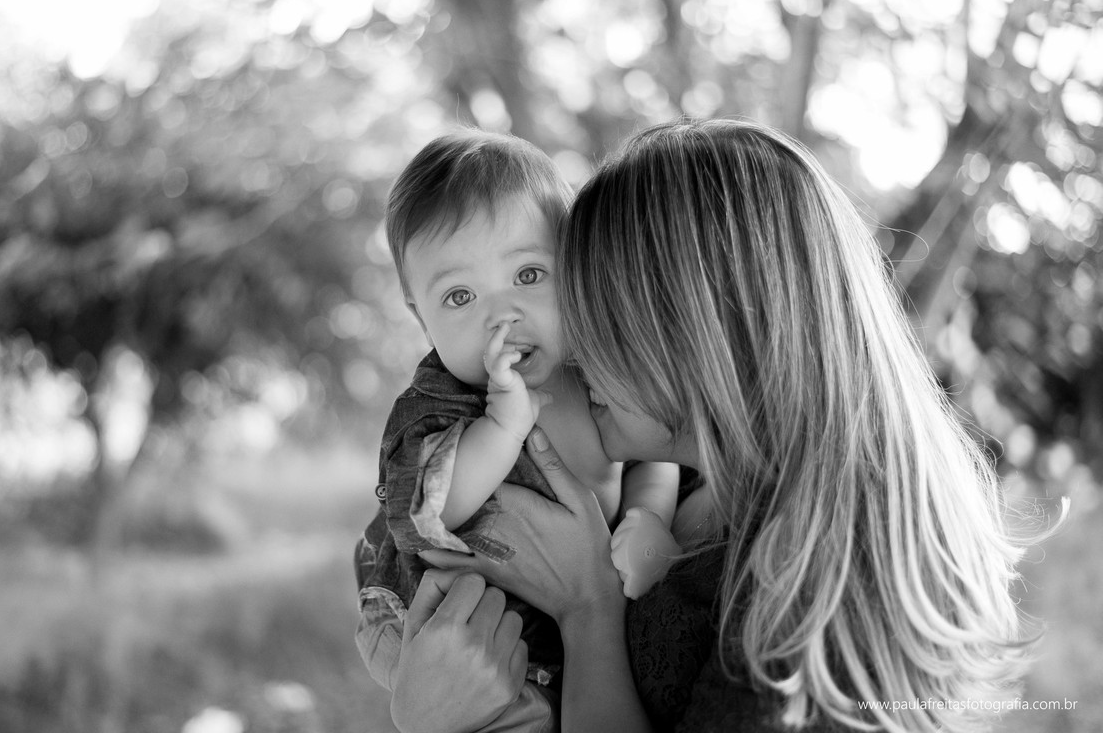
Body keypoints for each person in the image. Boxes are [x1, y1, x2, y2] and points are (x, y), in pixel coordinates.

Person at [396, 118, 1034, 733]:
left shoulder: (813, 608)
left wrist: (586, 608)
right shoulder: (714, 504)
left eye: (595, 313)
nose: (574, 350)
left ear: (692, 335)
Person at [354, 129, 683, 732]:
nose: (500, 314)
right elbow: (425, 513)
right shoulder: (441, 406)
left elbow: (658, 454)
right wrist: (504, 425)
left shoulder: (601, 368)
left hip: (566, 623)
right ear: (416, 311)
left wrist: (651, 518)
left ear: (575, 265)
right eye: (459, 296)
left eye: (529, 275)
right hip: (447, 629)